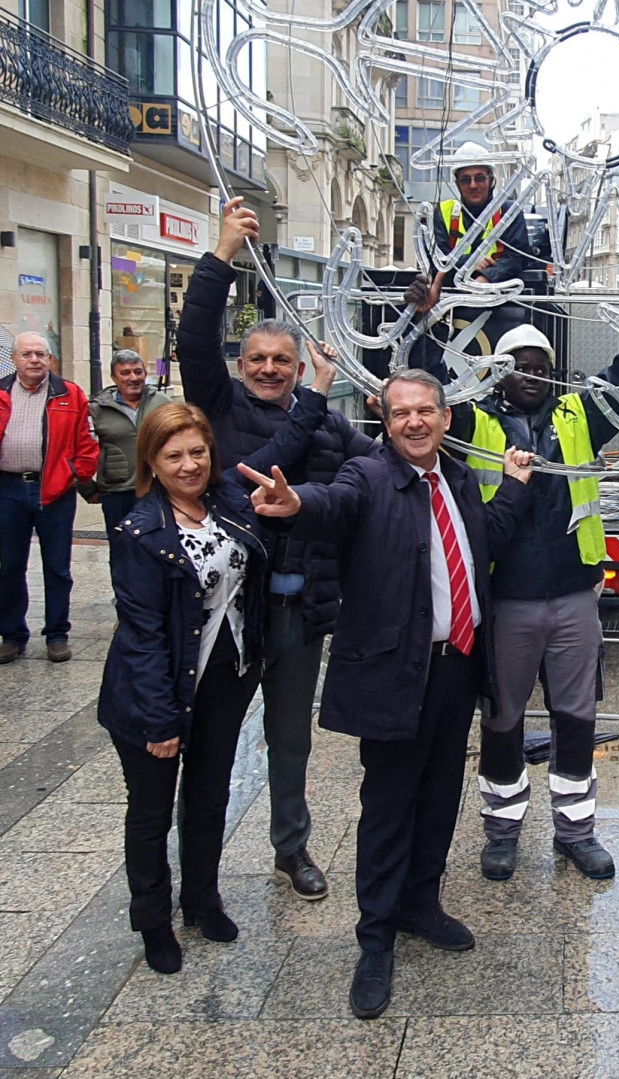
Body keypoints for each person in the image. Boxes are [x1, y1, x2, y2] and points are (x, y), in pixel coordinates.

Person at [242, 369, 534, 1021]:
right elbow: (331, 504)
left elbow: (480, 537)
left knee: (438, 797)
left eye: (424, 410)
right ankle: (374, 938)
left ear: (444, 417)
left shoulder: (455, 478)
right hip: (394, 669)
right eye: (400, 412)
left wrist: (513, 488)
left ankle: (419, 903)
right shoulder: (367, 476)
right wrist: (294, 507)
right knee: (387, 806)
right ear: (383, 417)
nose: (413, 422)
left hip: (456, 663)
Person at [404, 270, 619, 882]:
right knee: (501, 718)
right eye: (518, 363)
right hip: (506, 603)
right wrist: (425, 324)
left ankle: (575, 831)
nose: (531, 371)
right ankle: (502, 830)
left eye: (540, 362)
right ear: (498, 370)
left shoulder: (578, 416)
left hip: (575, 598)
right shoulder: (471, 425)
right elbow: (424, 396)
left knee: (577, 715)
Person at [176, 196, 377, 902]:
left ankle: (290, 848)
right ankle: (196, 869)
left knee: (290, 744)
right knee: (213, 742)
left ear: (299, 368)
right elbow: (193, 340)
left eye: (281, 360)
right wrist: (221, 254)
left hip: (300, 618)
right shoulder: (220, 409)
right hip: (231, 615)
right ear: (243, 364)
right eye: (257, 358)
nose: (267, 368)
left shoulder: (325, 424)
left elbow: (384, 467)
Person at [98, 394, 332, 975]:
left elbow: (277, 451)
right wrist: (159, 721)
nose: (188, 465)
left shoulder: (227, 500)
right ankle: (152, 920)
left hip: (223, 681)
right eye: (173, 455)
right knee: (151, 813)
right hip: (154, 691)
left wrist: (318, 394)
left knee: (208, 799)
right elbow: (144, 634)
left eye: (197, 452)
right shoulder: (139, 532)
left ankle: (201, 900)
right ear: (151, 461)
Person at [0, 332, 99, 664]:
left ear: (50, 359)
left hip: (55, 489)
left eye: (41, 354)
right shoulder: (0, 392)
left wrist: (76, 474)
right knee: (10, 565)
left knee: (57, 567)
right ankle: (12, 635)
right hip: (8, 489)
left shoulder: (69, 393)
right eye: (27, 354)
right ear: (14, 358)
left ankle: (57, 634)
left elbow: (86, 441)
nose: (34, 360)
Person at [82, 350, 171, 536]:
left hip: (157, 488)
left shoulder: (163, 404)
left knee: (157, 547)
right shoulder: (97, 408)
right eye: (125, 373)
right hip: (116, 492)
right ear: (114, 377)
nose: (133, 378)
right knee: (121, 547)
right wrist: (87, 489)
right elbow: (78, 448)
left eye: (138, 372)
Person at [433, 141, 530, 286]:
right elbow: (437, 261)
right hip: (452, 297)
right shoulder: (443, 211)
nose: (473, 185)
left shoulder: (509, 211)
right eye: (466, 180)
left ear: (491, 180)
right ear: (457, 184)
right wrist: (470, 262)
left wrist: (486, 277)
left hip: (499, 297)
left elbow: (517, 258)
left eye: (479, 178)